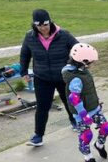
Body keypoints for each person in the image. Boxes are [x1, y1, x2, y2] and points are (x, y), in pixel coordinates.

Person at [20, 9, 79, 147]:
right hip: (42, 77)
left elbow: (77, 48)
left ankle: (75, 121)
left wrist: (77, 65)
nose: (43, 28)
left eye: (45, 24)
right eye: (39, 26)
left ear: (50, 21)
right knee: (42, 107)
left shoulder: (63, 34)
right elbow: (24, 55)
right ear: (34, 25)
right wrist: (24, 72)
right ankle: (38, 136)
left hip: (63, 75)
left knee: (69, 101)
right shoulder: (30, 37)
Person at [62, 43, 108, 162]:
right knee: (86, 135)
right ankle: (88, 159)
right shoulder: (75, 78)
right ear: (83, 62)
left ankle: (99, 145)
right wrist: (84, 115)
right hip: (81, 114)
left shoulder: (82, 71)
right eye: (91, 62)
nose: (92, 64)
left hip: (94, 109)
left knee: (106, 128)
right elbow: (74, 98)